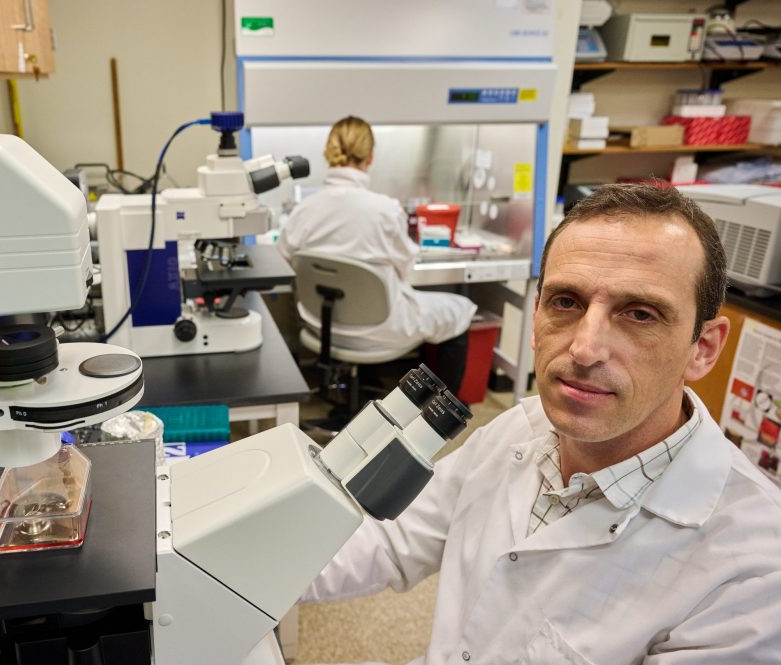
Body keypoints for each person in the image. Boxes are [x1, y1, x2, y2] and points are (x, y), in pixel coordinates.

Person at [302, 184, 781, 664]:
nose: (584, 349)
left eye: (640, 314)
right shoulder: (519, 428)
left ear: (704, 348)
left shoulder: (755, 570)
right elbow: (390, 539)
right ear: (535, 316)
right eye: (566, 303)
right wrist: (242, 569)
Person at [277, 116, 476, 393]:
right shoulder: (385, 209)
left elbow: (283, 259)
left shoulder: (304, 210)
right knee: (460, 311)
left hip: (322, 327)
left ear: (328, 154)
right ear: (369, 157)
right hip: (381, 329)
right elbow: (406, 265)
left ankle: (363, 384)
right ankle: (439, 418)